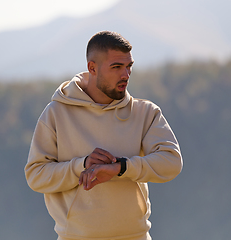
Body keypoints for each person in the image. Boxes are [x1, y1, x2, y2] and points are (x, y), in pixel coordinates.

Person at [25, 30, 183, 240]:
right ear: (92, 68)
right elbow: (36, 175)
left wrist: (122, 167)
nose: (125, 75)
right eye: (116, 67)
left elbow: (172, 162)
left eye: (129, 66)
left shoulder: (145, 113)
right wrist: (81, 165)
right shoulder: (57, 113)